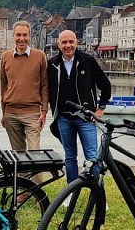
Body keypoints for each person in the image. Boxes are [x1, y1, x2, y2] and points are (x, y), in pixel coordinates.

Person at [47, 30, 111, 184]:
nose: (68, 46)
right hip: (64, 117)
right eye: (64, 42)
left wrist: (100, 109)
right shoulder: (52, 64)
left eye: (71, 42)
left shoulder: (87, 61)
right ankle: (71, 193)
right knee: (70, 157)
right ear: (59, 45)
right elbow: (47, 89)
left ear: (76, 43)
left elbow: (105, 85)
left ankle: (97, 194)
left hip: (86, 118)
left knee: (92, 157)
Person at [0, 20, 49, 151]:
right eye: (18, 35)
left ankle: (36, 173)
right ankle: (21, 173)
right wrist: (3, 113)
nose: (22, 39)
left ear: (30, 36)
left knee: (34, 153)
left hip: (32, 113)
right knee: (18, 155)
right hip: (11, 113)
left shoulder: (39, 56)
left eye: (25, 35)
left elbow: (45, 85)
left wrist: (44, 111)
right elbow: (3, 85)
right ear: (13, 36)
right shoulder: (6, 57)